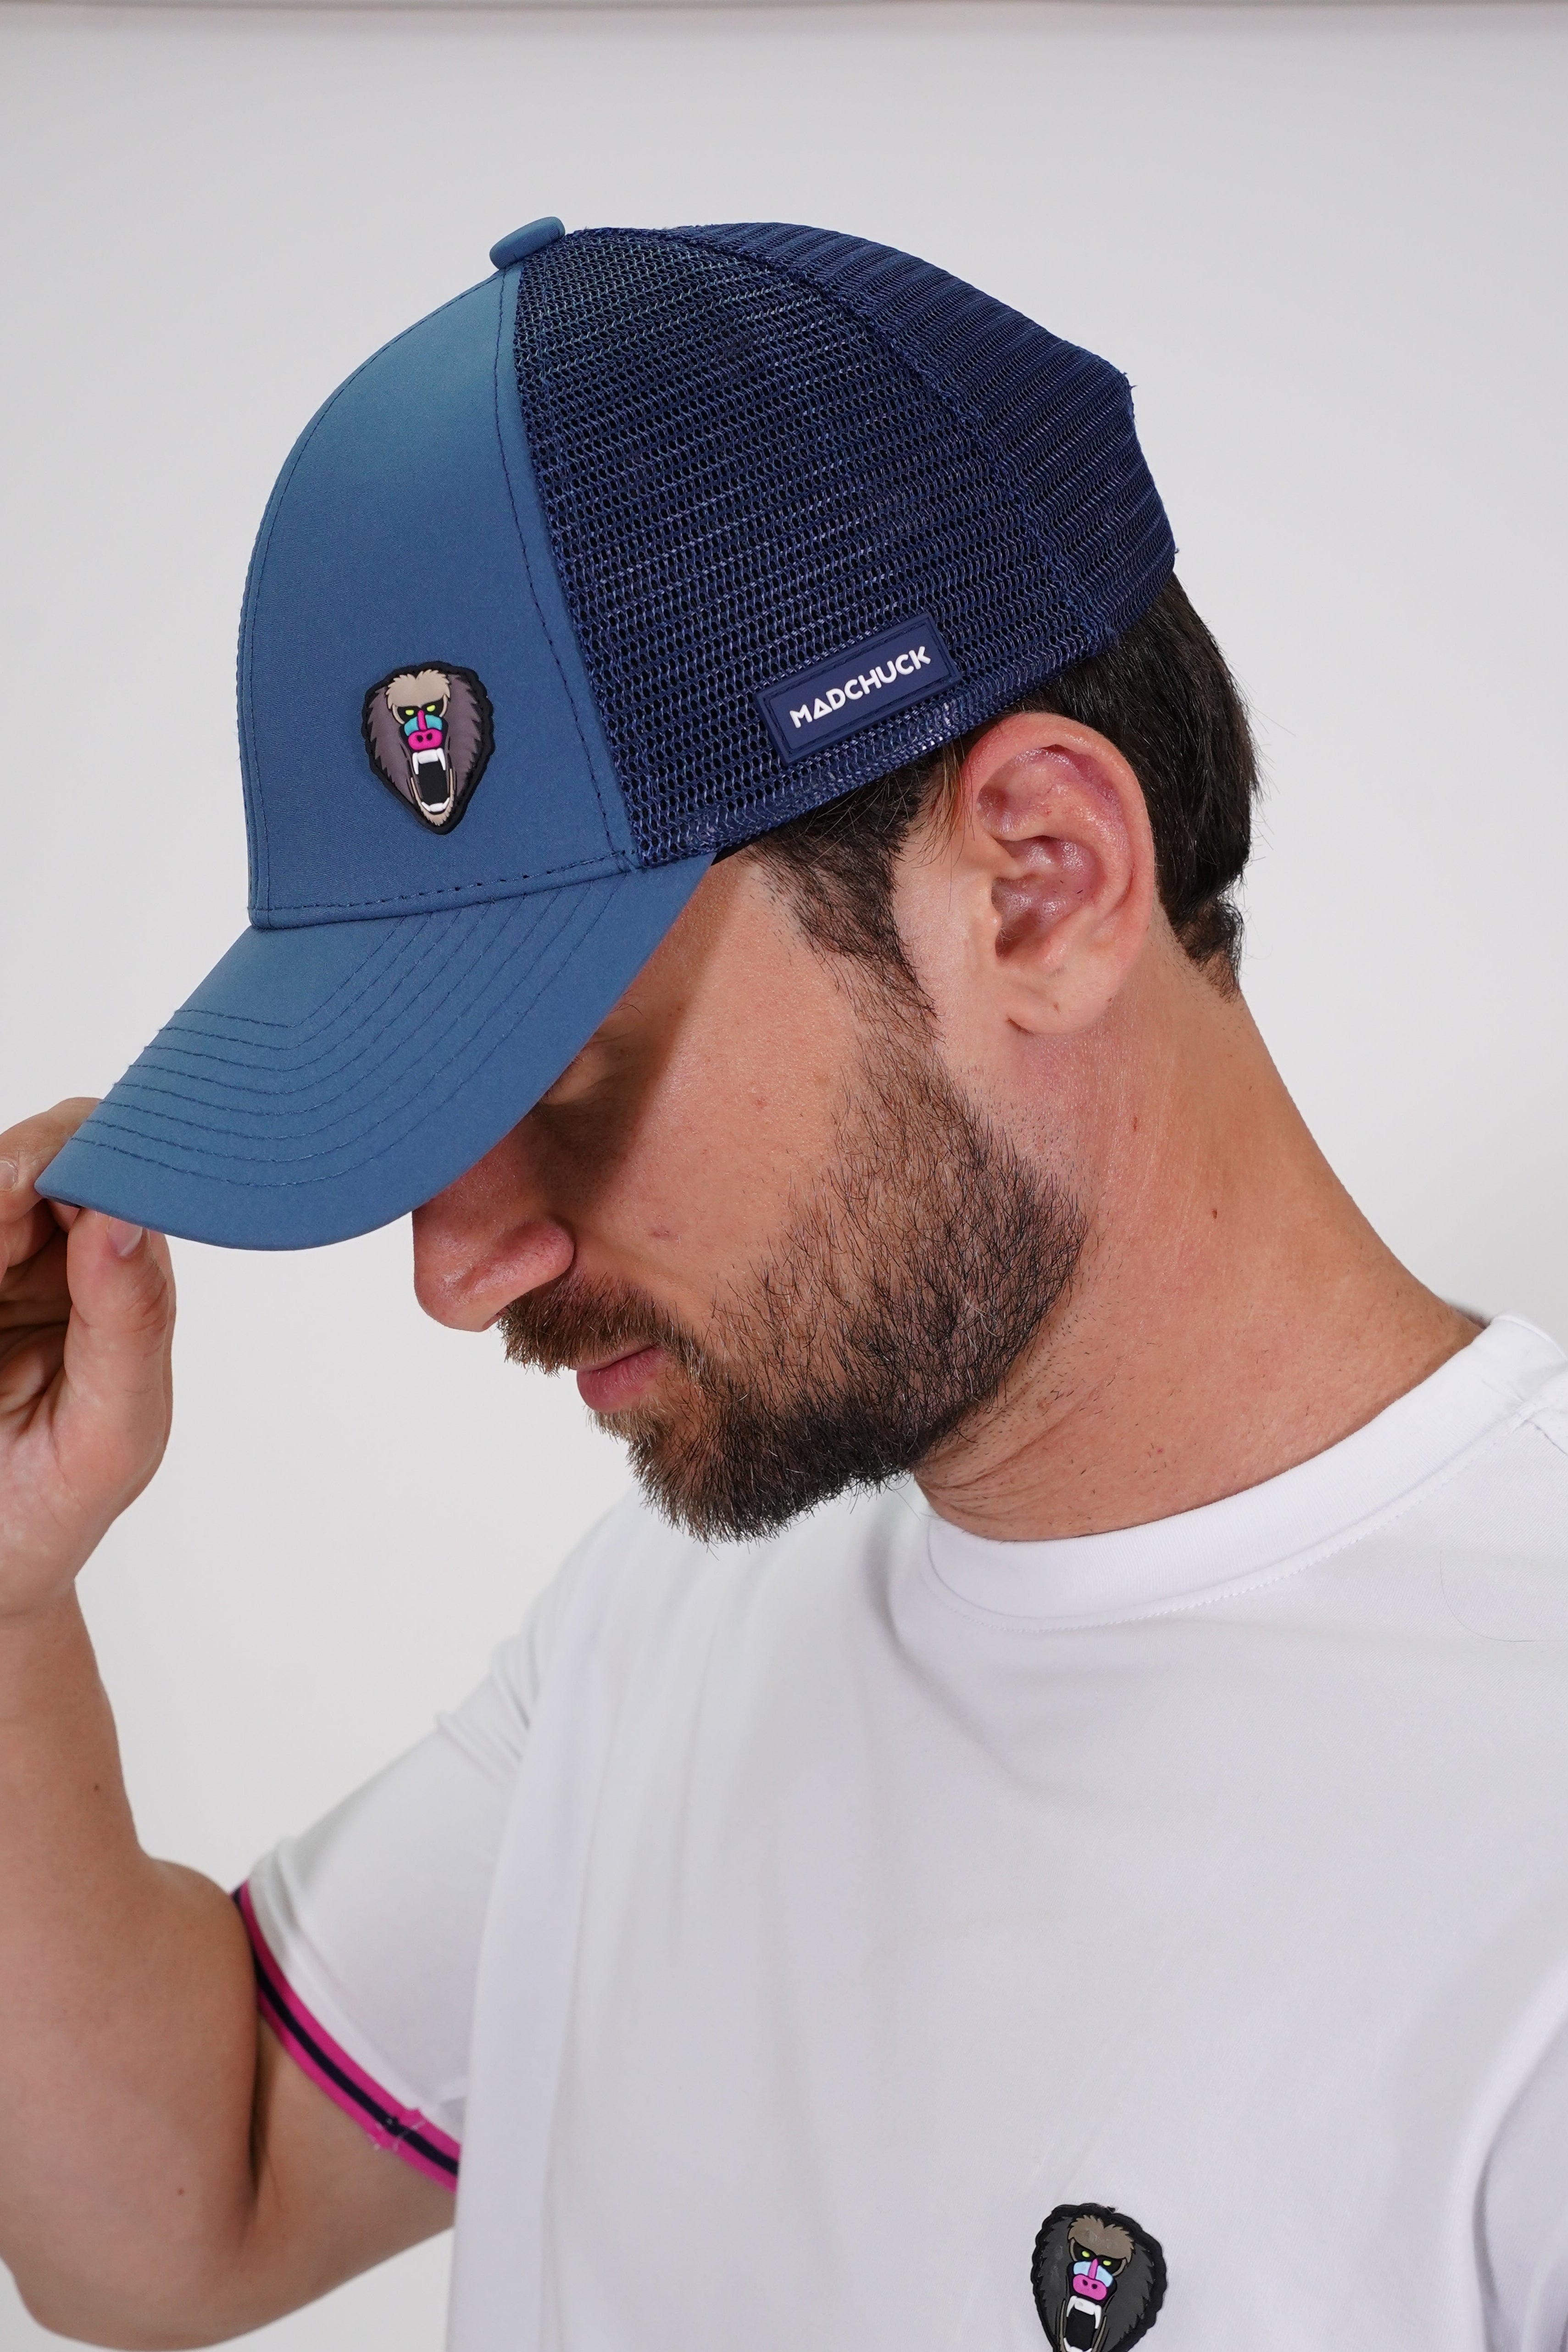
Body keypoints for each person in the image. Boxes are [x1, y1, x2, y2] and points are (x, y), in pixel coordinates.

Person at [1, 217, 1564, 2352]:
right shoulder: (675, 1622)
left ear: (1041, 886)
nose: (458, 1272)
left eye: (565, 1075)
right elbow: (186, 2202)